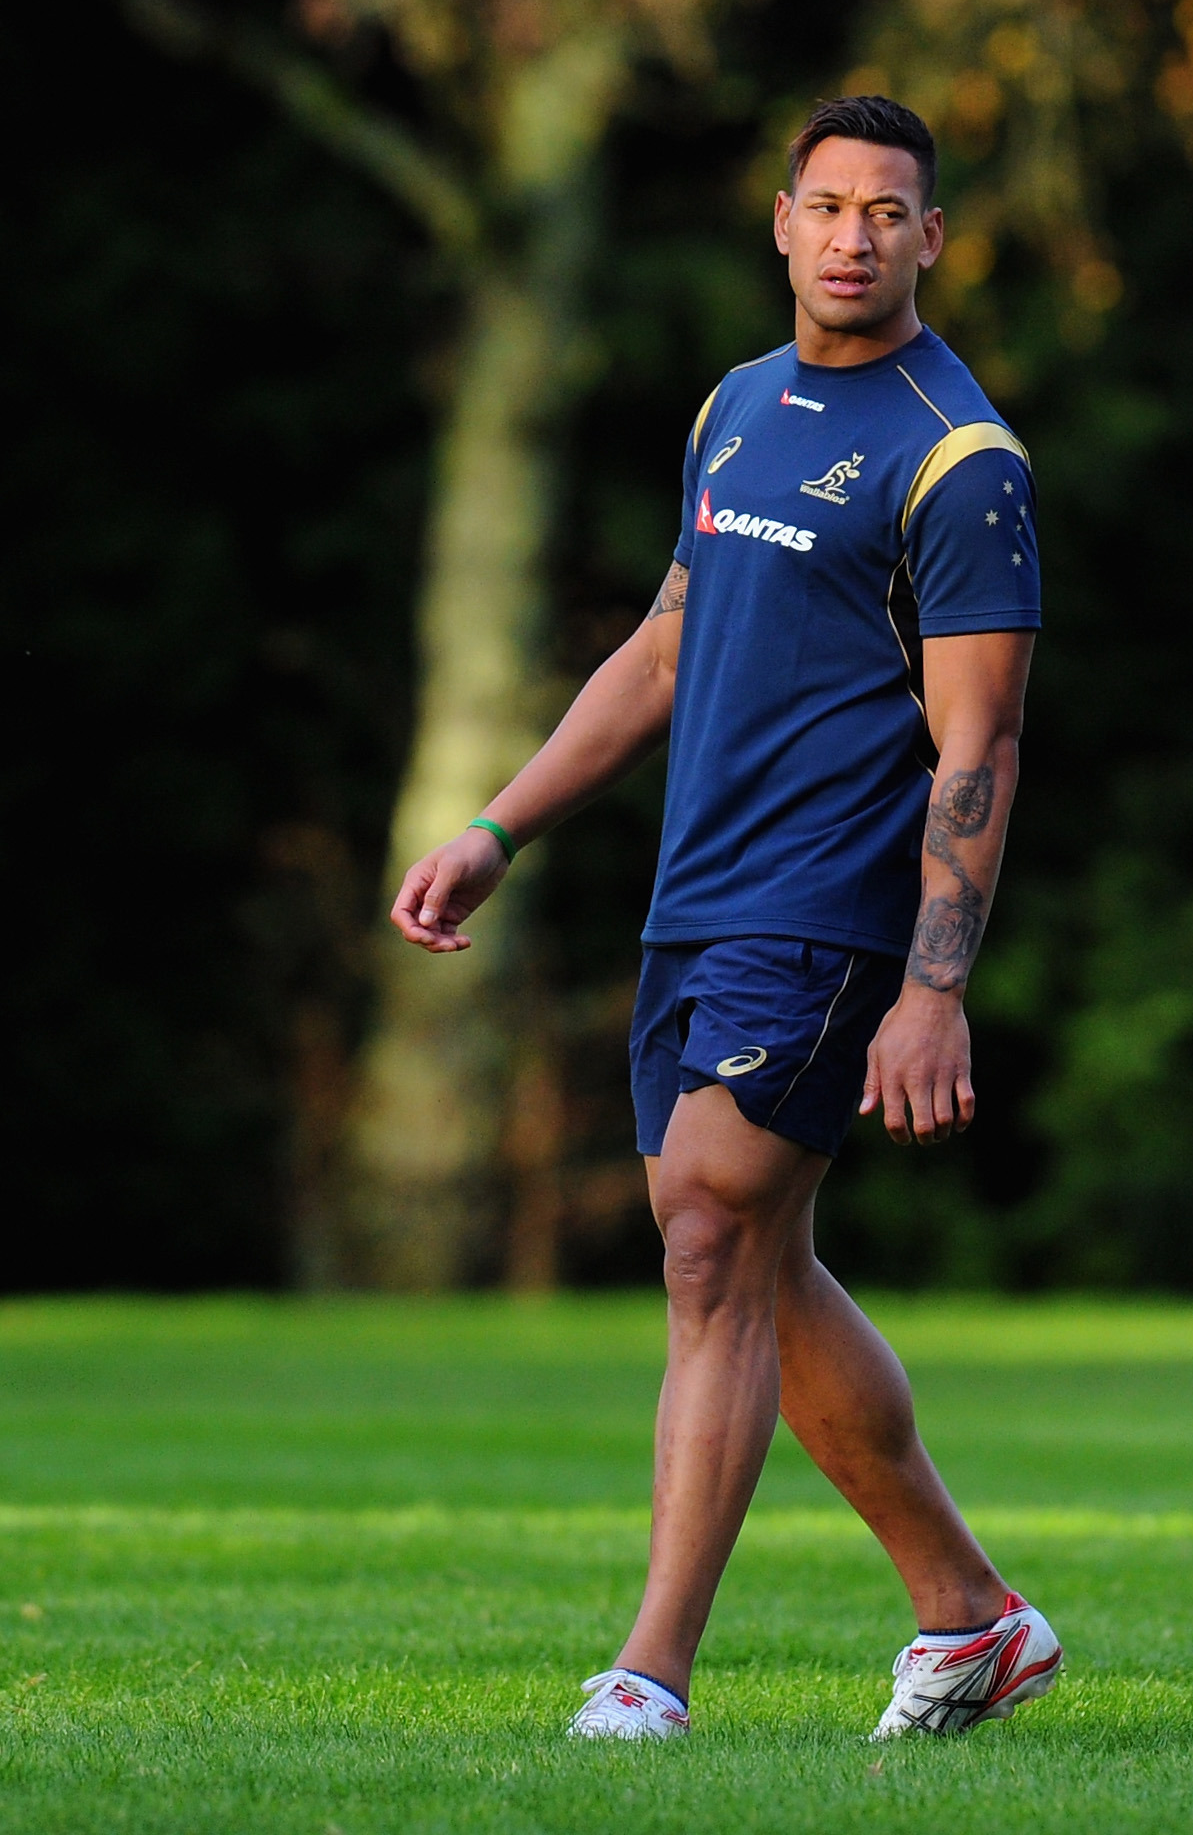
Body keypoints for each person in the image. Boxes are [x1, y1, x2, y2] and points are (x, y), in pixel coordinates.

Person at [389, 92, 1060, 1746]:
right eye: (826, 207)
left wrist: (932, 989)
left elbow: (980, 743)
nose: (853, 238)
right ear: (781, 222)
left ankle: (651, 1674)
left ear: (932, 239)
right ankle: (969, 1616)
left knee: (706, 1236)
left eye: (886, 213)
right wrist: (499, 827)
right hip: (697, 899)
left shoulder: (961, 460)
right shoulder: (737, 409)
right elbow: (666, 647)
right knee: (756, 1260)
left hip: (829, 910)